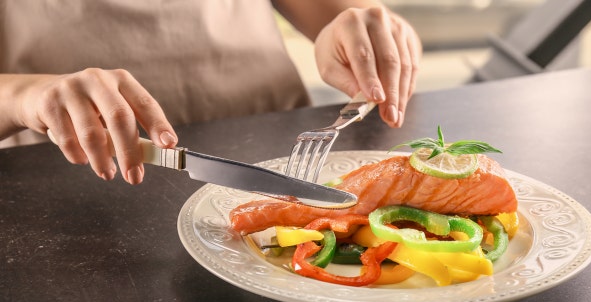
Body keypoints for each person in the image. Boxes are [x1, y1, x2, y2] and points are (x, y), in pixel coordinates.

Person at [0, 0, 422, 185]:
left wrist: (371, 32)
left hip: (286, 161)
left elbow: (360, 20)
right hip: (74, 184)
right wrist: (23, 94)